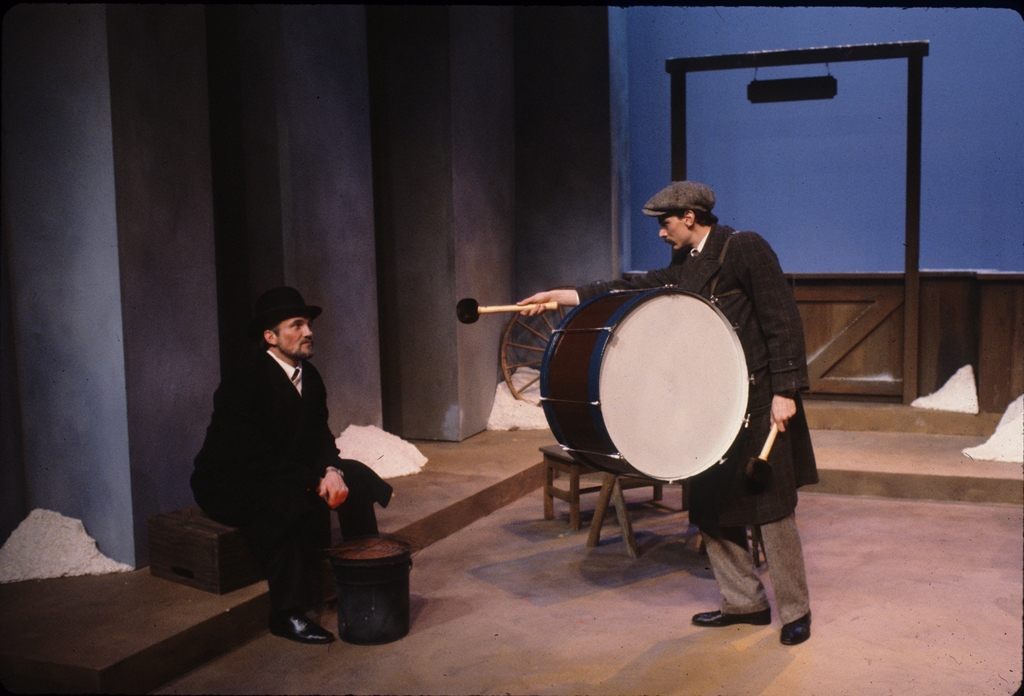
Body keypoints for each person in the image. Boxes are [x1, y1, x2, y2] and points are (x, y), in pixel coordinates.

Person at [518, 181, 818, 646]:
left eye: (665, 223)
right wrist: (564, 295)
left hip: (761, 400)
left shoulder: (744, 247)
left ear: (690, 217)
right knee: (713, 507)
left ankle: (796, 611)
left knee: (771, 509)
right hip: (712, 407)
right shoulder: (685, 264)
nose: (661, 233)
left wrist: (786, 390)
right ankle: (744, 603)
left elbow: (782, 319)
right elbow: (630, 286)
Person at [191, 286, 393, 645]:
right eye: (296, 325)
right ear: (270, 337)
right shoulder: (244, 379)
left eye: (309, 324)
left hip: (282, 471)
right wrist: (313, 481)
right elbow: (251, 454)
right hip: (231, 479)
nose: (308, 332)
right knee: (285, 501)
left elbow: (320, 437)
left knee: (357, 476)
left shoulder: (309, 376)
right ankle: (287, 613)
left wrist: (331, 470)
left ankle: (363, 576)